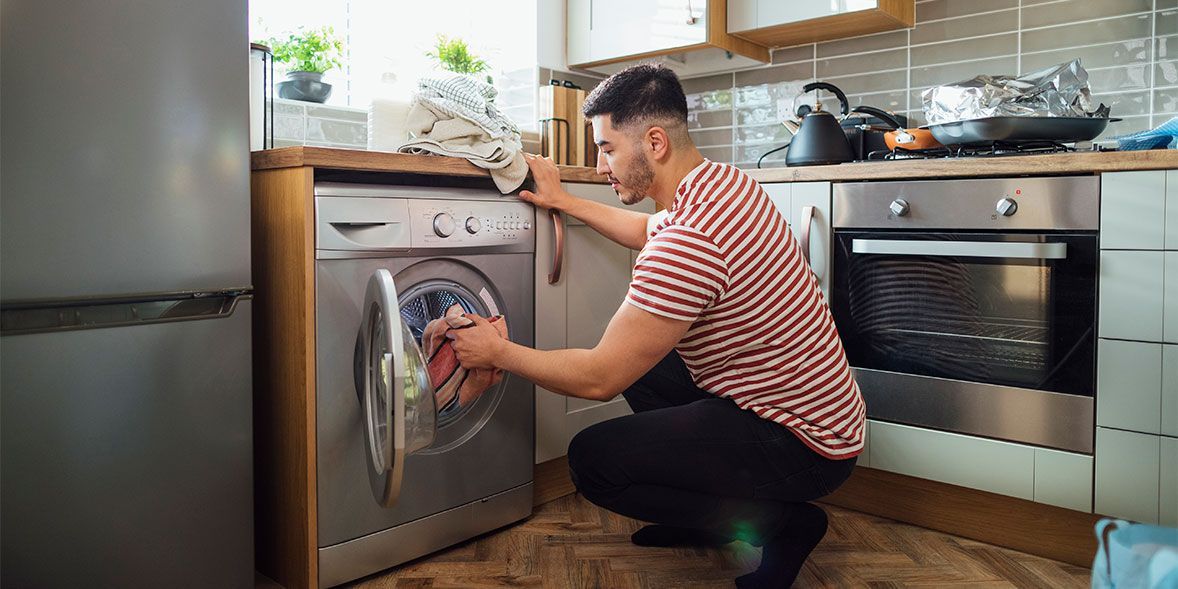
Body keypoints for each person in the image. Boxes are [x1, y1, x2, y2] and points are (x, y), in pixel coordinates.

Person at [447, 63, 866, 588]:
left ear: (654, 141)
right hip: (815, 409)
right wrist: (564, 200)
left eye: (607, 148)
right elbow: (647, 227)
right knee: (643, 362)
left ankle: (782, 523)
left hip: (805, 443)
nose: (602, 166)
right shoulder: (722, 186)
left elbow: (598, 380)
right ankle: (716, 518)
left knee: (593, 461)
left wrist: (496, 352)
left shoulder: (691, 240)